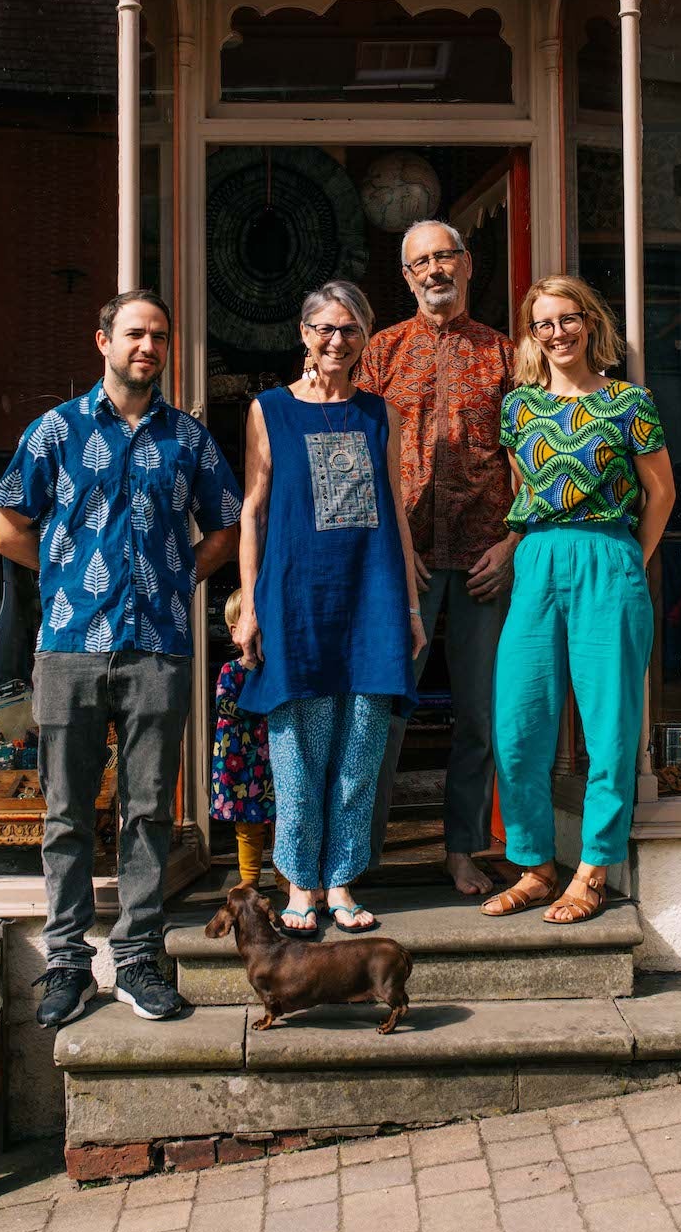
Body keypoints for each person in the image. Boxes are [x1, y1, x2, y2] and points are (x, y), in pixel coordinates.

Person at [0, 289, 241, 1027]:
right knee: (66, 814)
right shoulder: (55, 432)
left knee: (151, 809)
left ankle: (136, 956)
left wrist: (175, 577)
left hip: (159, 647)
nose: (148, 347)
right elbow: (6, 531)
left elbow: (225, 526)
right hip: (69, 648)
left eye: (159, 336)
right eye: (135, 333)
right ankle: (66, 962)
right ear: (102, 342)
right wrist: (69, 579)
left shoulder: (188, 440)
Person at [482, 274, 675, 924]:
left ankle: (592, 869)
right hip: (538, 560)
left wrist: (628, 561)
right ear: (533, 335)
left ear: (590, 323)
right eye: (544, 323)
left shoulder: (629, 402)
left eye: (568, 318)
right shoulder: (519, 409)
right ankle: (535, 866)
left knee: (610, 727)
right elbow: (526, 488)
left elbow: (662, 494)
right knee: (517, 724)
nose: (557, 332)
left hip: (608, 555)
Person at [233, 280, 425, 935]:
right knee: (297, 755)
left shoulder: (381, 413)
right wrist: (253, 607)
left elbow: (395, 509)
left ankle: (340, 882)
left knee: (360, 752)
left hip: (370, 596)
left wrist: (412, 609)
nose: (336, 340)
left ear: (365, 336)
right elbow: (253, 510)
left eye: (349, 329)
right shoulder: (269, 411)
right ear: (304, 334)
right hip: (296, 600)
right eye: (325, 328)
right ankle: (299, 883)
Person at [357, 219, 517, 897]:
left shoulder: (509, 356)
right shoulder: (380, 353)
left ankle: (462, 848)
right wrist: (391, 548)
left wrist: (514, 542)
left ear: (467, 264)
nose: (433, 270)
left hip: (486, 558)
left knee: (479, 715)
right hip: (406, 561)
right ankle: (359, 855)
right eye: (419, 261)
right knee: (384, 708)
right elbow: (356, 461)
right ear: (406, 275)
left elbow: (532, 461)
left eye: (443, 256)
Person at [211, 587, 276, 887]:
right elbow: (225, 706)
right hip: (239, 759)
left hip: (270, 756)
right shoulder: (230, 670)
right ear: (236, 631)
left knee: (280, 820)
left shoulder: (273, 669)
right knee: (247, 823)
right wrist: (256, 699)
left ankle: (285, 877)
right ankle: (248, 879)